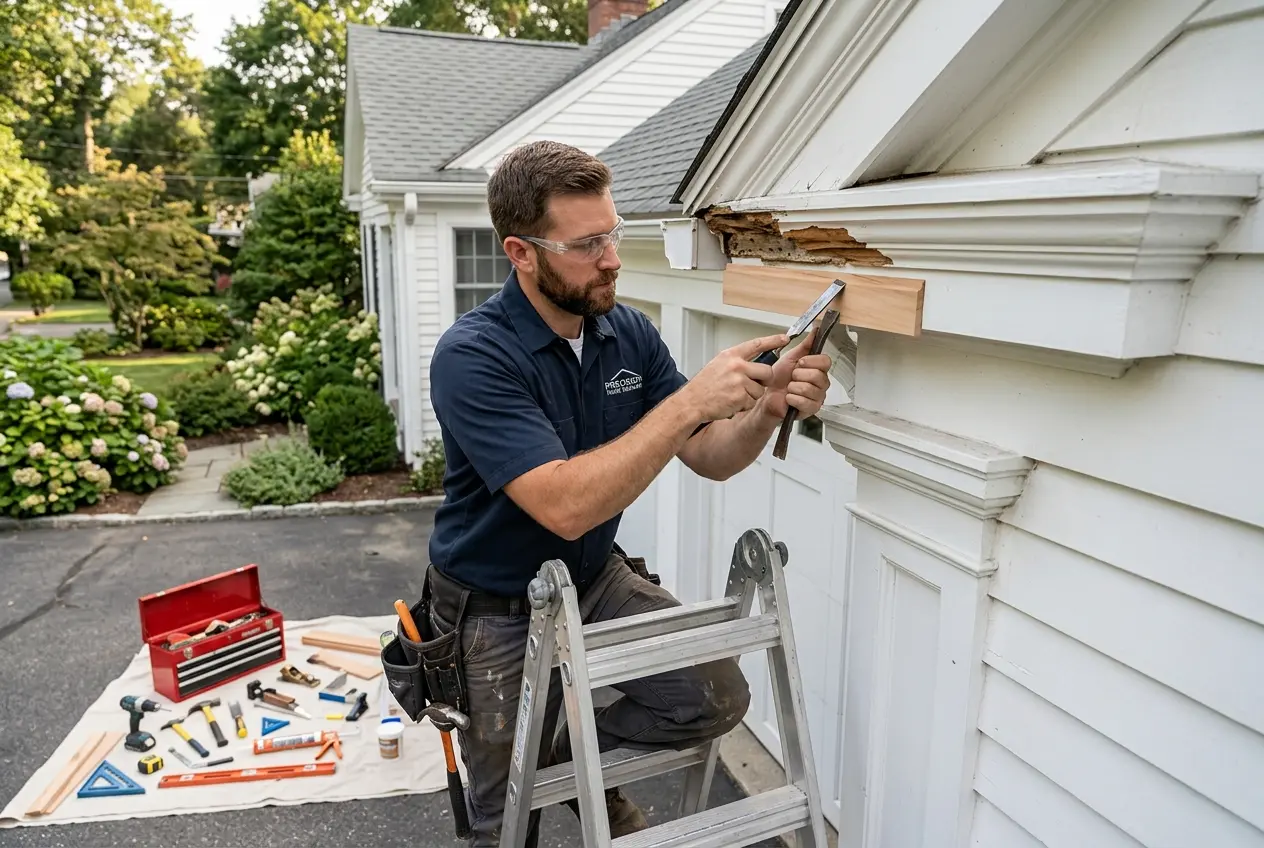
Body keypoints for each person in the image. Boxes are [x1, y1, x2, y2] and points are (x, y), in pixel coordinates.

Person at [425, 140, 833, 846]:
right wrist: (687, 404)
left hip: (591, 575)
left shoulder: (627, 332)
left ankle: (562, 752)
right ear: (521, 253)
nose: (613, 257)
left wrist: (765, 411)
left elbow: (709, 455)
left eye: (613, 233)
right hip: (492, 607)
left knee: (714, 695)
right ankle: (541, 761)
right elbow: (564, 504)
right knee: (502, 820)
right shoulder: (473, 356)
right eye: (587, 244)